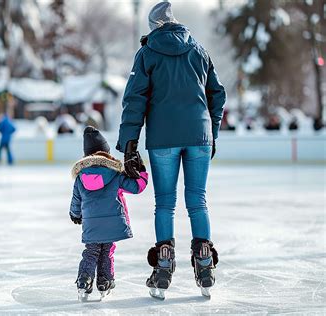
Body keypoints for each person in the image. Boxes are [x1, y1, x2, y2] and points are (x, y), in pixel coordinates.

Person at [117, 2, 226, 299]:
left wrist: (129, 143)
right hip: (199, 137)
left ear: (153, 26)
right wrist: (211, 132)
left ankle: (163, 267)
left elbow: (134, 99)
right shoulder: (199, 50)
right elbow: (217, 93)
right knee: (198, 201)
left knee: (165, 203)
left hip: (163, 138)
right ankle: (204, 266)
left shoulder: (147, 53)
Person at [70, 126, 149, 301]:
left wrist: (75, 214)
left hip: (91, 224)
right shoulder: (115, 174)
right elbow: (137, 187)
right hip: (113, 222)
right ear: (106, 152)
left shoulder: (81, 177)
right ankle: (105, 281)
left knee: (91, 252)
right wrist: (141, 170)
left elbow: (76, 200)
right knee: (107, 251)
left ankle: (84, 280)